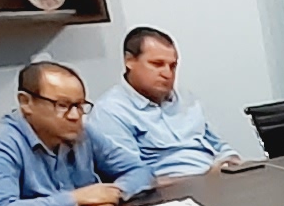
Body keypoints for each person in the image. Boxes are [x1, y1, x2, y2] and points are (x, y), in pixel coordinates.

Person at [0, 60, 155, 206]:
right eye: (63, 105)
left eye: (80, 105)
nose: (75, 116)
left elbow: (139, 170)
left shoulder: (83, 133)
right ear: (26, 102)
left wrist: (112, 195)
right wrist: (76, 198)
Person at [89, 26, 242, 178]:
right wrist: (204, 179)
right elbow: (132, 178)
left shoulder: (187, 100)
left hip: (215, 180)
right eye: (157, 64)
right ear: (129, 61)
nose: (168, 74)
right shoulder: (111, 112)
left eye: (173, 66)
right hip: (169, 187)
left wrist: (232, 162)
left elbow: (219, 145)